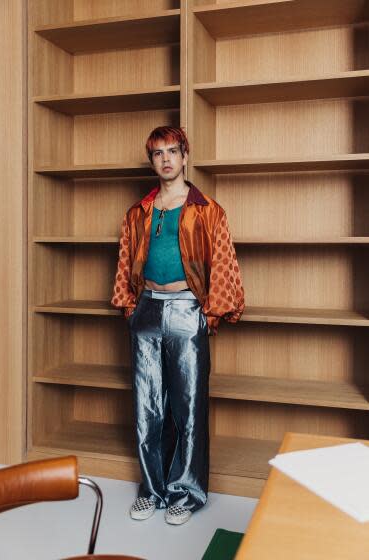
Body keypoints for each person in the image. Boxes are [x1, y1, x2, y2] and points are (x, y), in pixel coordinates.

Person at [111, 126, 245, 525]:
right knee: (146, 406)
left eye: (173, 151)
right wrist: (131, 310)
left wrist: (210, 313)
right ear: (151, 161)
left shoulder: (207, 209)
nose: (166, 159)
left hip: (188, 310)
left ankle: (185, 493)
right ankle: (152, 490)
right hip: (147, 310)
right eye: (158, 153)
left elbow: (223, 262)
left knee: (188, 407)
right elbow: (124, 262)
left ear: (185, 156)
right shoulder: (139, 211)